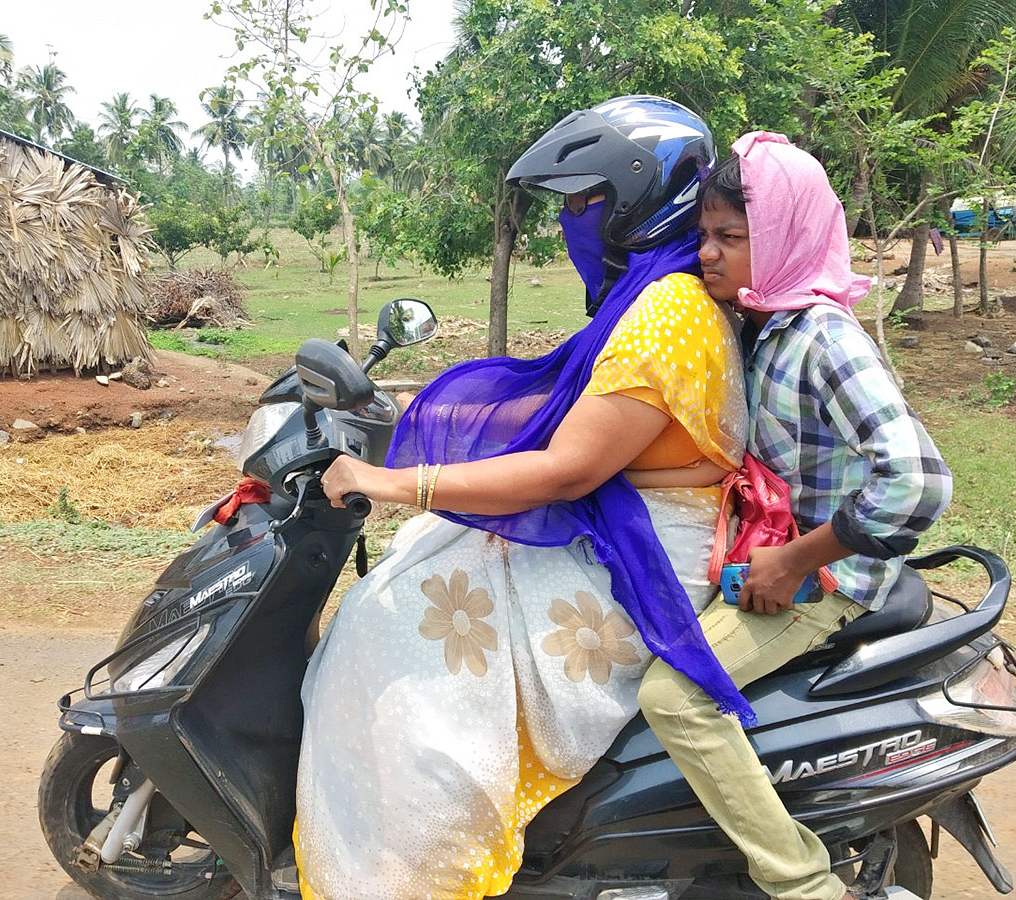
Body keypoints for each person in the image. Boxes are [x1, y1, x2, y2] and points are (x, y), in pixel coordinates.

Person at [292, 96, 750, 900]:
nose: (572, 218)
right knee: (419, 560)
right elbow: (574, 406)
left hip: (648, 563)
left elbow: (568, 468)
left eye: (585, 200)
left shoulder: (668, 311)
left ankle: (419, 868)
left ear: (638, 197)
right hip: (632, 530)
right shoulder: (656, 292)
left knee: (394, 630)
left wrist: (394, 482)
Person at [636, 131, 954, 900]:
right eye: (703, 235)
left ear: (782, 238)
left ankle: (805, 884)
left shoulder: (822, 337)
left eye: (729, 238)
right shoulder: (759, 321)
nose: (706, 253)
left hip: (826, 577)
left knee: (672, 697)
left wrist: (797, 561)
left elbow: (919, 479)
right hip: (767, 546)